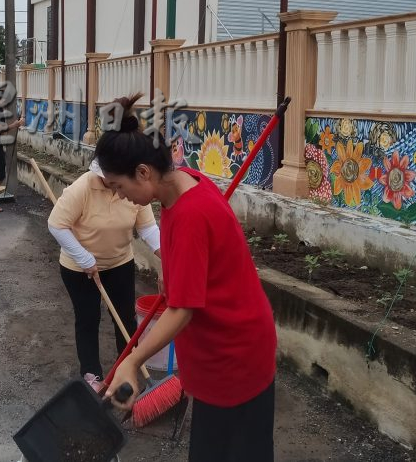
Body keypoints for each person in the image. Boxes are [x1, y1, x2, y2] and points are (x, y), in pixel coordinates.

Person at [98, 94, 277, 462]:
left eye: (119, 187)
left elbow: (182, 310)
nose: (121, 196)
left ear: (143, 172)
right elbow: (188, 254)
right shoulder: (182, 184)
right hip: (222, 350)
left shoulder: (193, 213)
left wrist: (132, 359)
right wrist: (170, 268)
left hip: (234, 356)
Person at [48, 159, 161, 390]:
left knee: (126, 318)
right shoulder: (83, 187)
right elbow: (56, 224)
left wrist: (169, 258)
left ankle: (127, 368)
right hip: (78, 267)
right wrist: (83, 258)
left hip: (120, 262)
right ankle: (91, 374)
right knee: (88, 318)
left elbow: (148, 228)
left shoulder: (132, 185)